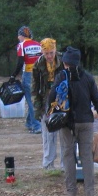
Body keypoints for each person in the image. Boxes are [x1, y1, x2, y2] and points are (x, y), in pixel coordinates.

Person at [49, 46, 98, 196]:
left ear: (65, 62)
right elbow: (97, 99)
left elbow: (51, 98)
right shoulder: (87, 77)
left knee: (68, 155)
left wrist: (51, 114)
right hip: (86, 121)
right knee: (86, 155)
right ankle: (89, 190)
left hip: (67, 123)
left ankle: (71, 191)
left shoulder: (61, 76)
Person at [33, 38, 62, 168]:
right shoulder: (38, 65)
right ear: (42, 53)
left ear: (55, 50)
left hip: (62, 99)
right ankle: (48, 164)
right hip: (46, 100)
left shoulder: (63, 61)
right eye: (46, 53)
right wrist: (37, 108)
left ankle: (65, 165)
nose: (49, 56)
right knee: (48, 134)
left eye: (51, 52)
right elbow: (35, 88)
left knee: (65, 134)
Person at [11, 26, 43, 133]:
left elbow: (20, 62)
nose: (18, 38)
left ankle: (37, 125)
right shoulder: (38, 44)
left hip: (28, 73)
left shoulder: (21, 45)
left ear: (22, 36)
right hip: (39, 74)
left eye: (19, 35)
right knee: (35, 97)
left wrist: (13, 75)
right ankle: (29, 123)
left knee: (31, 100)